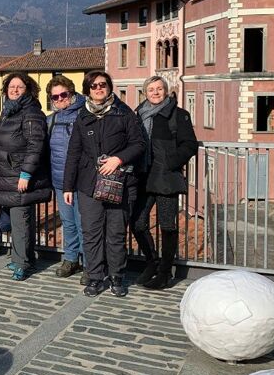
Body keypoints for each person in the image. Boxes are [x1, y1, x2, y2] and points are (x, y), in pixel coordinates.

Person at [63, 71, 146, 297]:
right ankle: (95, 276)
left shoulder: (124, 113)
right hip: (89, 184)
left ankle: (117, 276)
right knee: (91, 233)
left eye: (103, 85)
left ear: (109, 87)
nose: (99, 89)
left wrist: (118, 159)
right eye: (94, 86)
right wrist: (67, 186)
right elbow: (74, 153)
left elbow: (139, 144)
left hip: (119, 182)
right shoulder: (82, 116)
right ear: (87, 90)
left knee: (116, 233)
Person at [130, 76, 199, 290]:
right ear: (145, 93)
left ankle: (165, 272)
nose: (156, 92)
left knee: (168, 225)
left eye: (159, 89)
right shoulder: (138, 115)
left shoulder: (178, 115)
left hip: (166, 178)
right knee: (138, 223)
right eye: (151, 89)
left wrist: (170, 162)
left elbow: (190, 145)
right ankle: (152, 261)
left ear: (166, 91)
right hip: (144, 176)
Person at [0, 72, 52, 281]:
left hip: (20, 176)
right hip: (9, 175)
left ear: (28, 90)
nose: (14, 90)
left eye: (19, 87)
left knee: (21, 221)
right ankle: (23, 258)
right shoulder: (9, 111)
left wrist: (26, 174)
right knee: (21, 220)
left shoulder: (31, 113)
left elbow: (36, 146)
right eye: (11, 87)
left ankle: (21, 263)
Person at [45, 75, 87, 282]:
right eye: (55, 97)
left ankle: (90, 264)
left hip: (83, 181)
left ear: (72, 93)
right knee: (68, 222)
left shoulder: (85, 114)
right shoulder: (51, 120)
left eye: (64, 94)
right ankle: (71, 259)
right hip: (61, 181)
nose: (60, 99)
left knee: (85, 224)